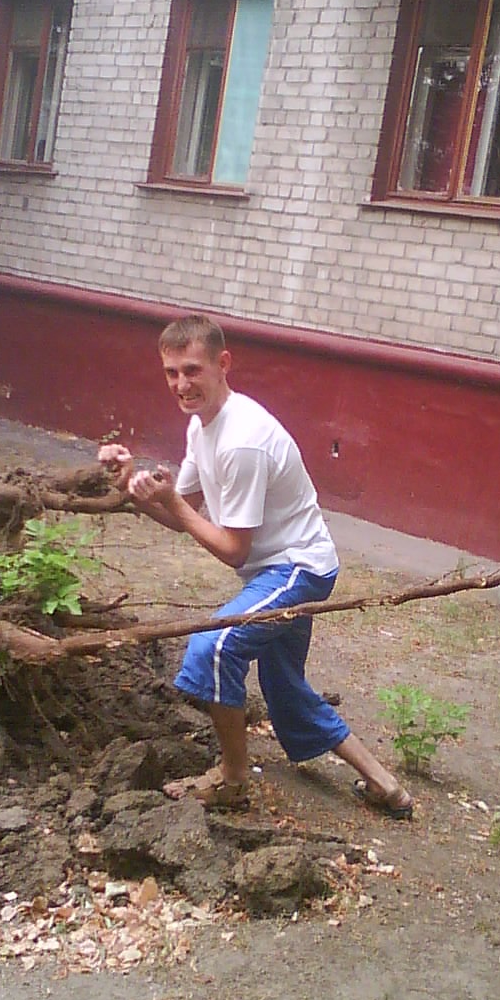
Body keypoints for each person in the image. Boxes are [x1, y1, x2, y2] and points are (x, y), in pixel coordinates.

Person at [99, 313, 414, 818]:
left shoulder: (243, 439)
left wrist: (172, 502)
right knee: (285, 688)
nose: (181, 384)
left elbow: (232, 549)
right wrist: (131, 488)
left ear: (223, 363)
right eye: (171, 373)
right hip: (281, 569)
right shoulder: (202, 427)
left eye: (192, 370)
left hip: (297, 570)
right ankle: (385, 784)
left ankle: (233, 778)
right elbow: (182, 515)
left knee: (213, 647)